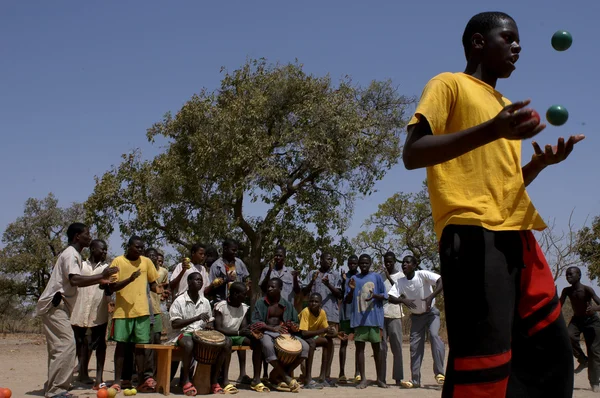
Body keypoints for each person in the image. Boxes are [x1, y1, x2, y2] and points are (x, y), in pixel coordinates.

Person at [403, 11, 582, 397]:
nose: (518, 46)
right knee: (485, 356)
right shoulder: (448, 84)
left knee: (548, 346)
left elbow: (501, 182)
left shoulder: (504, 105)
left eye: (519, 41)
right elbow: (413, 152)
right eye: (509, 38)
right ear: (478, 43)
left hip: (516, 232)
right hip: (471, 234)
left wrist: (537, 164)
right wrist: (493, 128)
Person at [36, 223, 118, 398]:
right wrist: (101, 277)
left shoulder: (74, 256)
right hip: (55, 306)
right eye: (87, 234)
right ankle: (57, 391)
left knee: (58, 349)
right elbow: (75, 280)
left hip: (57, 306)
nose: (90, 236)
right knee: (67, 346)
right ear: (77, 237)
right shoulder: (71, 255)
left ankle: (52, 387)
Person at [106, 236, 163, 393]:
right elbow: (112, 287)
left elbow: (152, 283)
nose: (140, 250)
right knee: (121, 346)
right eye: (137, 247)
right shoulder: (118, 262)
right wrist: (130, 280)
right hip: (122, 311)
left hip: (142, 311)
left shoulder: (146, 262)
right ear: (128, 246)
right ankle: (118, 381)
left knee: (140, 348)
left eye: (142, 247)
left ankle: (140, 380)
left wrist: (158, 290)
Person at [388, 256, 444, 388]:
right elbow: (391, 297)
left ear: (414, 265)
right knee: (415, 347)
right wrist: (403, 300)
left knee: (434, 336)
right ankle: (415, 380)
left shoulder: (422, 274)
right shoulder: (400, 282)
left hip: (431, 314)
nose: (404, 265)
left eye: (408, 262)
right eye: (403, 262)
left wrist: (431, 296)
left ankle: (440, 374)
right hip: (416, 317)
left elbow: (441, 281)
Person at [168, 272, 224, 396]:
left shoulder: (204, 301)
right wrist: (196, 318)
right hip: (182, 334)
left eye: (201, 280)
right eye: (196, 279)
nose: (200, 282)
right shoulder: (180, 300)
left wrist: (209, 327)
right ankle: (186, 380)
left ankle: (214, 381)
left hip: (199, 333)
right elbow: (175, 324)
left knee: (225, 343)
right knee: (189, 344)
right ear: (189, 282)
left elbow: (209, 321)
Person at [251, 278, 308, 393]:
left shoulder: (287, 304)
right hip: (266, 332)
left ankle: (280, 374)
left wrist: (293, 326)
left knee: (306, 347)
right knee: (267, 345)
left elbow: (296, 322)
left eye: (273, 287)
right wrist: (271, 328)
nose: (269, 289)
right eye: (268, 287)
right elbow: (254, 322)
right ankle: (285, 377)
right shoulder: (260, 302)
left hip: (285, 334)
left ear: (280, 289)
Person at [70, 239, 111, 389]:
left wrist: (107, 286)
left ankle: (99, 377)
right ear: (93, 249)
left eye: (106, 250)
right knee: (80, 343)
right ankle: (82, 373)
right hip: (79, 310)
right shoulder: (81, 265)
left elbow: (110, 289)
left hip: (98, 312)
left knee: (100, 345)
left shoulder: (107, 268)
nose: (105, 252)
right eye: (102, 249)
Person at [344, 254, 387, 389]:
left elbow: (385, 296)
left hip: (374, 320)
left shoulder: (377, 277)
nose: (363, 266)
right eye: (361, 263)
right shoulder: (353, 279)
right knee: (360, 350)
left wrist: (375, 296)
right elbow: (348, 300)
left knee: (377, 349)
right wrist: (351, 290)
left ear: (370, 263)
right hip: (359, 320)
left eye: (366, 263)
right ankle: (363, 378)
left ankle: (379, 379)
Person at [560, 266, 600, 392]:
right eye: (566, 275)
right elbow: (559, 305)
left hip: (592, 321)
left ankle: (594, 382)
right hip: (577, 320)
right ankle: (582, 360)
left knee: (594, 351)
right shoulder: (566, 291)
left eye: (571, 274)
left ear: (579, 275)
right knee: (569, 336)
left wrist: (594, 309)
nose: (568, 277)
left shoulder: (587, 289)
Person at [213, 282, 254, 393]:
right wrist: (239, 332)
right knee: (228, 342)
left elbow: (243, 327)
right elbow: (218, 328)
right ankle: (225, 380)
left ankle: (251, 377)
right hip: (222, 335)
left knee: (256, 343)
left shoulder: (244, 307)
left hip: (237, 335)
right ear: (235, 294)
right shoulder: (221, 306)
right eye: (244, 294)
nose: (246, 296)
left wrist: (250, 331)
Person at [298, 293, 337, 389]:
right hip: (300, 336)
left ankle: (323, 377)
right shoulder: (306, 312)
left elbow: (326, 331)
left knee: (328, 342)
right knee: (311, 343)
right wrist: (323, 331)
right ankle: (308, 378)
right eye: (311, 301)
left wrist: (334, 333)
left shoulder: (322, 313)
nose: (313, 303)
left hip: (312, 335)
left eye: (316, 301)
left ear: (320, 304)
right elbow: (304, 333)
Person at [379, 251, 405, 387]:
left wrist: (389, 278)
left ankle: (398, 378)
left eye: (390, 261)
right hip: (382, 315)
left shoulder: (401, 276)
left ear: (395, 261)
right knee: (382, 348)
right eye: (386, 261)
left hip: (395, 315)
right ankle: (381, 378)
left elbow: (402, 294)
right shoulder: (380, 276)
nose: (388, 264)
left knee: (397, 348)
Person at [338, 255, 360, 384]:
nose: (352, 265)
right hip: (346, 314)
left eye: (354, 263)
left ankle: (357, 372)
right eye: (350, 263)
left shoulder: (361, 277)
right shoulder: (344, 278)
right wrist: (343, 281)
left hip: (358, 315)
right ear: (347, 264)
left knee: (359, 343)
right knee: (343, 343)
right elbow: (343, 296)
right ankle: (341, 372)